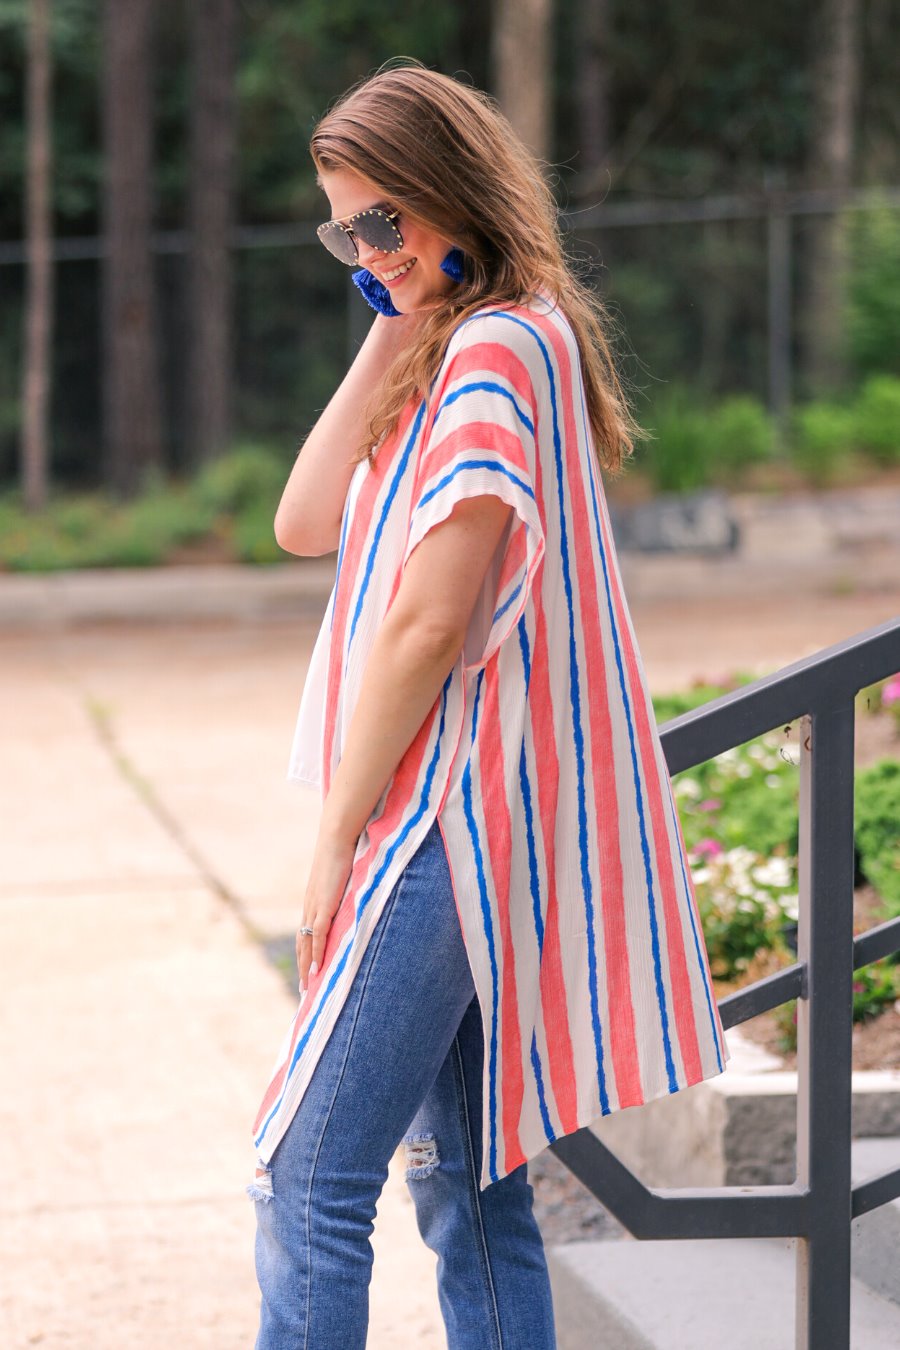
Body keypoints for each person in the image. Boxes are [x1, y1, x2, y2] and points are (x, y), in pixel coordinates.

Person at [247, 59, 728, 1350]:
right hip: (472, 819)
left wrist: (337, 833)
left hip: (443, 817)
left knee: (310, 1179)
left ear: (449, 189)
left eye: (385, 222)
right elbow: (302, 521)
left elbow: (428, 617)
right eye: (345, 232)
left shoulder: (504, 346)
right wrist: (396, 307)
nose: (367, 249)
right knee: (467, 1186)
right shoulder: (452, 348)